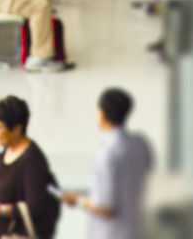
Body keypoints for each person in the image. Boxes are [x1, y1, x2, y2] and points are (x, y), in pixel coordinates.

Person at [62, 88, 153, 239]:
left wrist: (77, 200)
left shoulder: (106, 153)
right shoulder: (140, 144)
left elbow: (105, 207)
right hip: (138, 231)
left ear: (102, 113)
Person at [0, 96, 60, 239]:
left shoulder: (32, 160)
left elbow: (35, 207)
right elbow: (10, 190)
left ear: (17, 129)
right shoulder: (8, 150)